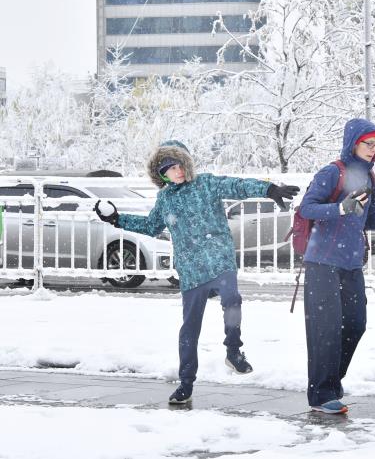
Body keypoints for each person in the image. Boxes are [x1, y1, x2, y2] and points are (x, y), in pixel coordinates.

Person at [94, 140, 299, 404]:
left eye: (180, 165)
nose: (177, 171)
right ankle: (186, 384)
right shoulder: (165, 199)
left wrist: (269, 188)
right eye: (169, 168)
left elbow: (237, 186)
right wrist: (116, 219)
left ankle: (234, 351)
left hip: (220, 261)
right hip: (191, 271)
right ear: (161, 174)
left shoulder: (206, 184)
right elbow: (151, 226)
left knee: (232, 300)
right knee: (190, 329)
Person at [298, 118, 375, 414]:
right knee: (326, 328)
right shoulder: (333, 172)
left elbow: (367, 219)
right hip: (322, 261)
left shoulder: (370, 180)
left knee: (356, 324)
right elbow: (307, 208)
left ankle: (332, 380)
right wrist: (340, 208)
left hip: (351, 262)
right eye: (368, 143)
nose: (373, 150)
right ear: (353, 143)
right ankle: (321, 393)